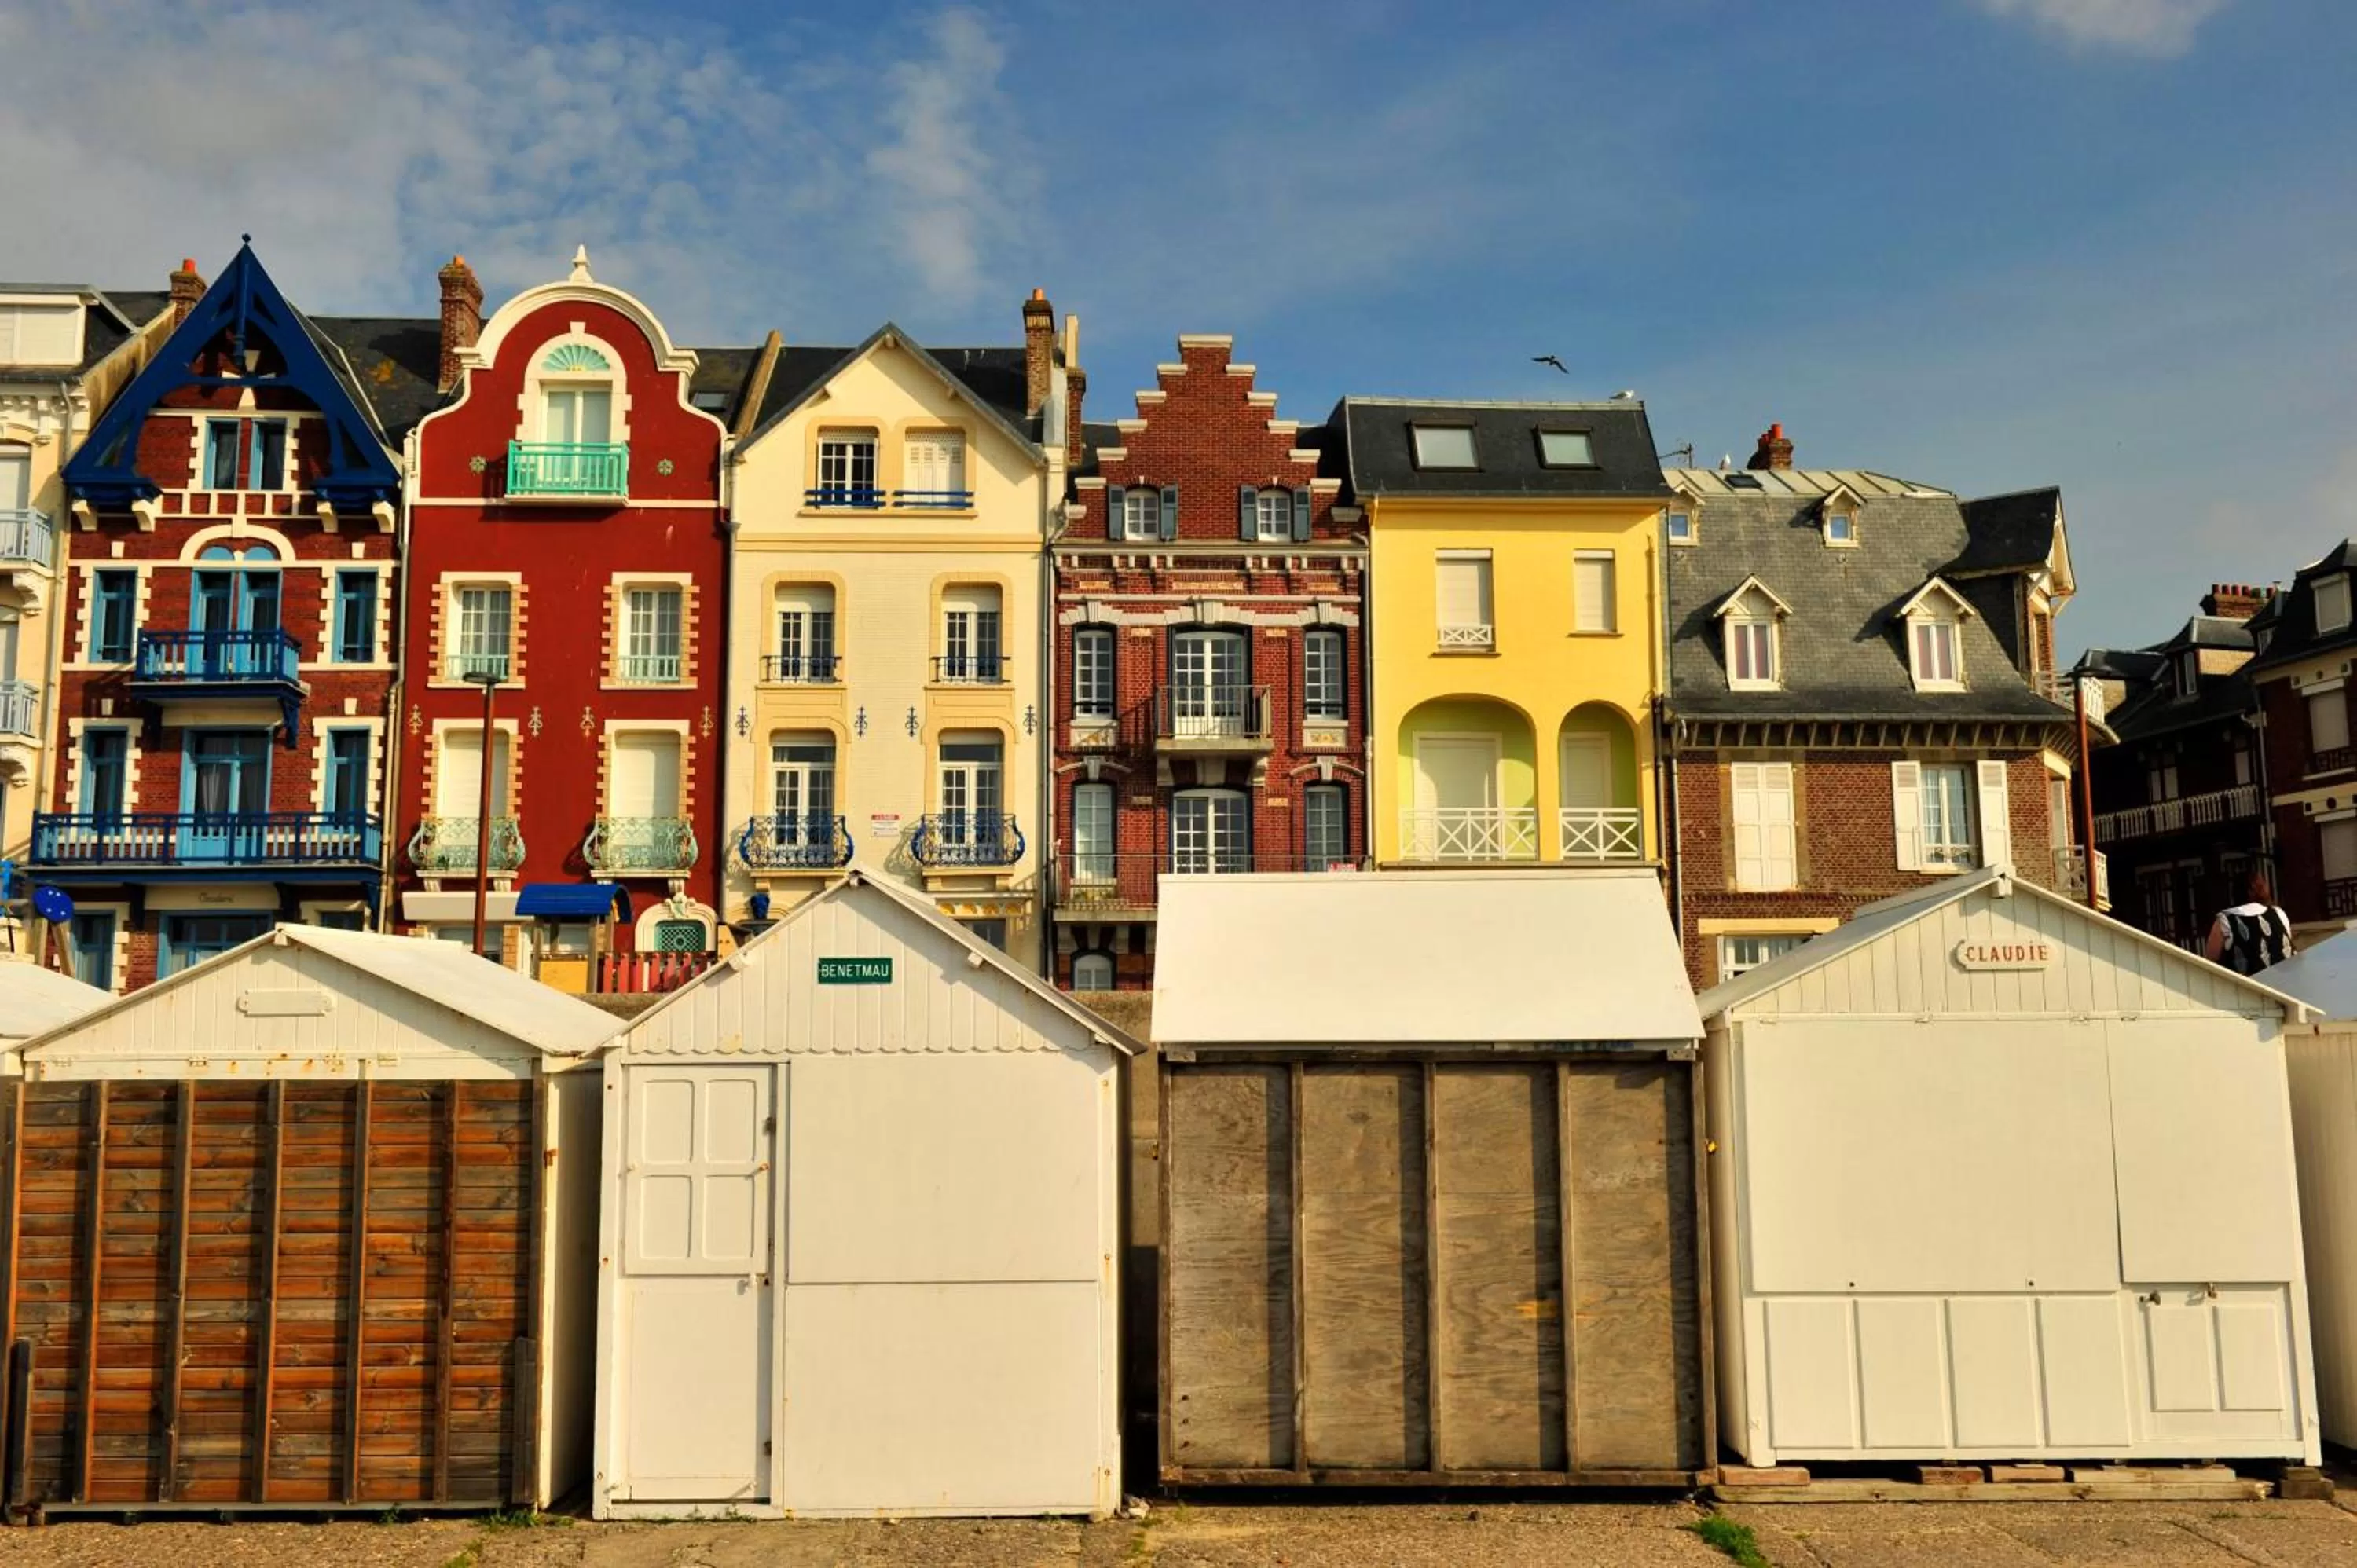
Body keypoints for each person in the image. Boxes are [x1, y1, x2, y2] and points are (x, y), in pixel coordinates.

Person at [2205, 870, 2295, 975]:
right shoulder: (2278, 913)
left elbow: (2211, 959)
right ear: (2254, 888)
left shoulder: (2226, 920)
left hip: (2247, 983)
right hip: (2284, 980)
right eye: (2263, 884)